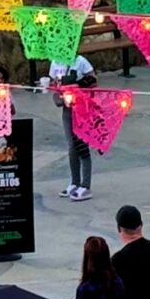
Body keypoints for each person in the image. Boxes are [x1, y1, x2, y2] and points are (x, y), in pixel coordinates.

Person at [47, 53, 98, 201]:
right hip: (67, 109)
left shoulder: (80, 61)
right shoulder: (55, 62)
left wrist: (78, 86)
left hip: (81, 108)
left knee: (82, 146)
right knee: (72, 146)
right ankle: (75, 183)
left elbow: (93, 81)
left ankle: (86, 185)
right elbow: (53, 84)